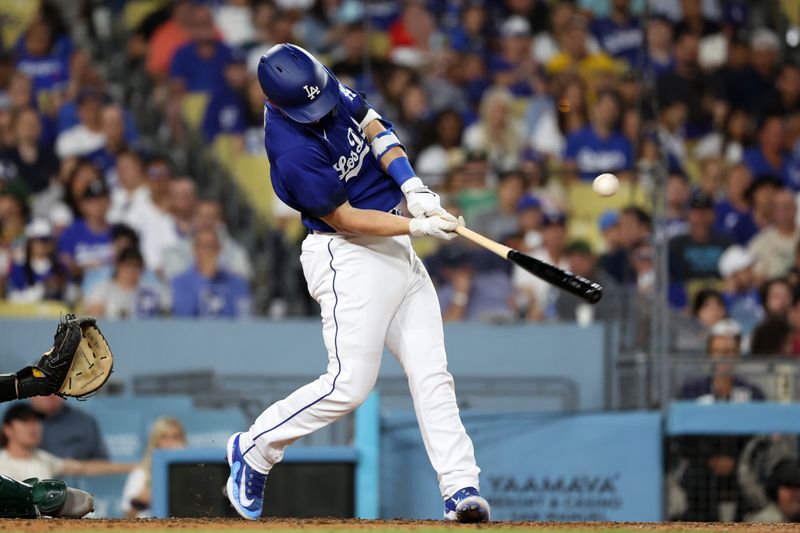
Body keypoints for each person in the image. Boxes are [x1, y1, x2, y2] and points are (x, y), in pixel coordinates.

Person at [224, 44, 489, 523]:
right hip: (348, 255)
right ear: (279, 104)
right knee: (348, 385)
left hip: (393, 242)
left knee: (432, 373)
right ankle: (255, 447)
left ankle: (460, 488)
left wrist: (412, 187)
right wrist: (416, 226)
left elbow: (372, 123)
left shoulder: (319, 83)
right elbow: (344, 219)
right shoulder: (290, 151)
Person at [0, 402, 132, 480]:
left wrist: (136, 467)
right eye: (25, 422)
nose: (33, 427)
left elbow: (83, 468)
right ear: (8, 429)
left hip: (43, 526)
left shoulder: (44, 459)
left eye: (36, 421)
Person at [170, 227, 251, 318]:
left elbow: (244, 317)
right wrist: (206, 279)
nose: (208, 252)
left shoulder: (237, 283)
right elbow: (183, 315)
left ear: (219, 250)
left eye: (212, 246)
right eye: (204, 246)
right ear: (194, 250)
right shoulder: (180, 282)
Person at [121, 417, 186, 518]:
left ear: (183, 441)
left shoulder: (195, 472)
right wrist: (139, 502)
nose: (170, 443)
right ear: (155, 442)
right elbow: (127, 517)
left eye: (175, 437)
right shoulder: (140, 474)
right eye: (164, 437)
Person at [749, 188, 799, 279]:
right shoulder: (760, 241)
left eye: (788, 207)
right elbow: (757, 276)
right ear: (772, 212)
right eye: (781, 208)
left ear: (796, 209)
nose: (785, 212)